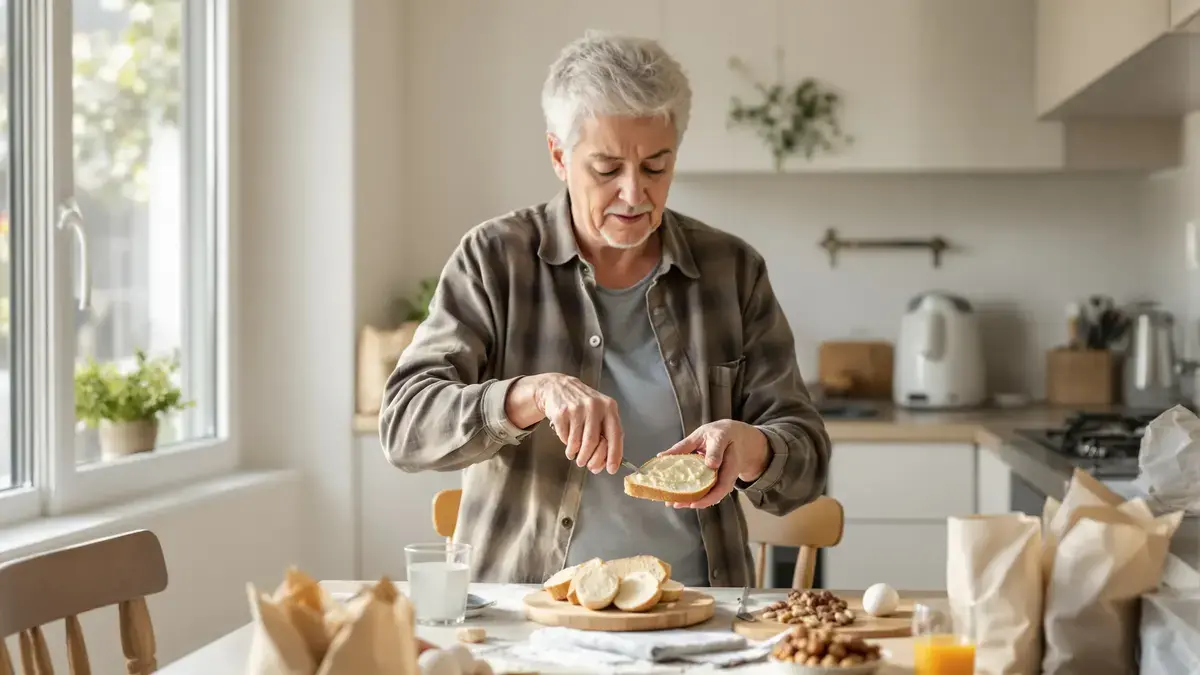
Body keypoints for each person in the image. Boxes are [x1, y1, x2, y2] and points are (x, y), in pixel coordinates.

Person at [379, 31, 830, 588]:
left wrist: (754, 448)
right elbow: (404, 425)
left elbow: (807, 457)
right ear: (558, 155)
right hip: (532, 615)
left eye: (656, 166)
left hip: (694, 617)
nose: (635, 194)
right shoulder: (495, 259)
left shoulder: (732, 271)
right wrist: (530, 395)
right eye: (607, 168)